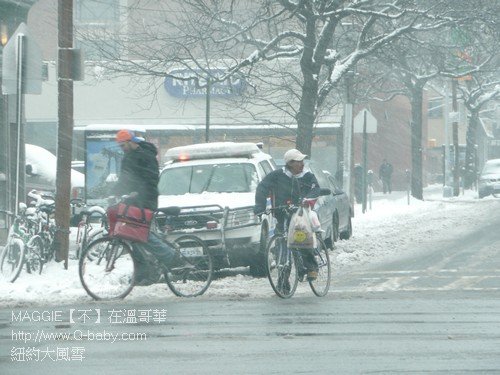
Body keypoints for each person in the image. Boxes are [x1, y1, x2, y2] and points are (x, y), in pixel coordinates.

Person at [114, 129, 177, 285]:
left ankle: (170, 256)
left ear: (130, 142)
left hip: (146, 200)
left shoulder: (145, 155)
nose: (121, 149)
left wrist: (138, 191)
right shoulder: (130, 156)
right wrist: (112, 191)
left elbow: (150, 178)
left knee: (142, 233)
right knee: (132, 236)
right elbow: (125, 179)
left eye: (123, 145)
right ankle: (143, 272)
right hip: (135, 200)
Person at [254, 148, 321, 281]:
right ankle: (283, 282)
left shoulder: (307, 176)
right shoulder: (277, 175)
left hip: (300, 216)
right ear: (290, 163)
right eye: (298, 162)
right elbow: (262, 188)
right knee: (282, 245)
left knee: (302, 240)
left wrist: (307, 200)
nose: (302, 164)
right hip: (282, 214)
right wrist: (259, 207)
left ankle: (311, 267)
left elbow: (315, 189)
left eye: (302, 161)